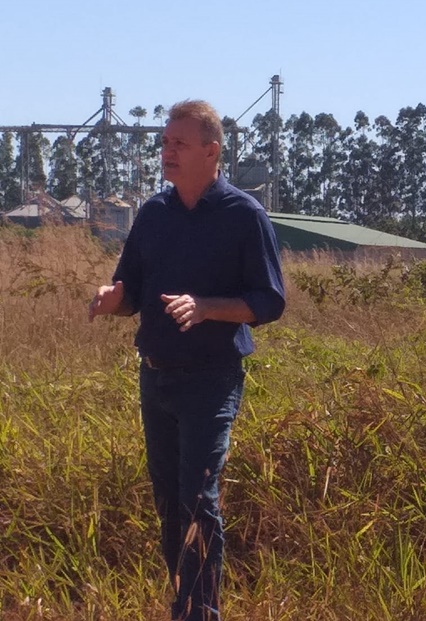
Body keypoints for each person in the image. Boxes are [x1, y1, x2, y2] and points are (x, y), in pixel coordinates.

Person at [88, 100, 285, 621]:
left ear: (211, 150)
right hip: (155, 378)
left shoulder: (244, 216)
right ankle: (184, 606)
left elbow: (269, 301)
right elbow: (131, 287)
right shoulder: (154, 213)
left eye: (178, 143)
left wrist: (208, 308)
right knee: (171, 504)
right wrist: (114, 299)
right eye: (164, 142)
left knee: (198, 499)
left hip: (211, 380)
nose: (166, 151)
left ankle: (200, 613)